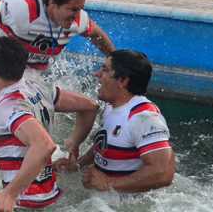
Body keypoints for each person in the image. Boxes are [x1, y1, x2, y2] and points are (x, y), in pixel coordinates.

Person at [0, 37, 99, 211]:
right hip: (51, 195)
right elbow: (90, 106)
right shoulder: (36, 87)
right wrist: (74, 144)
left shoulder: (9, 106)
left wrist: (10, 194)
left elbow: (44, 145)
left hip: (25, 204)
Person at [73, 50, 176, 192]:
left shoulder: (144, 117)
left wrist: (109, 183)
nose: (97, 74)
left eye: (105, 70)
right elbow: (105, 143)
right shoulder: (112, 107)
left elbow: (163, 173)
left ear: (122, 81)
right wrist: (78, 165)